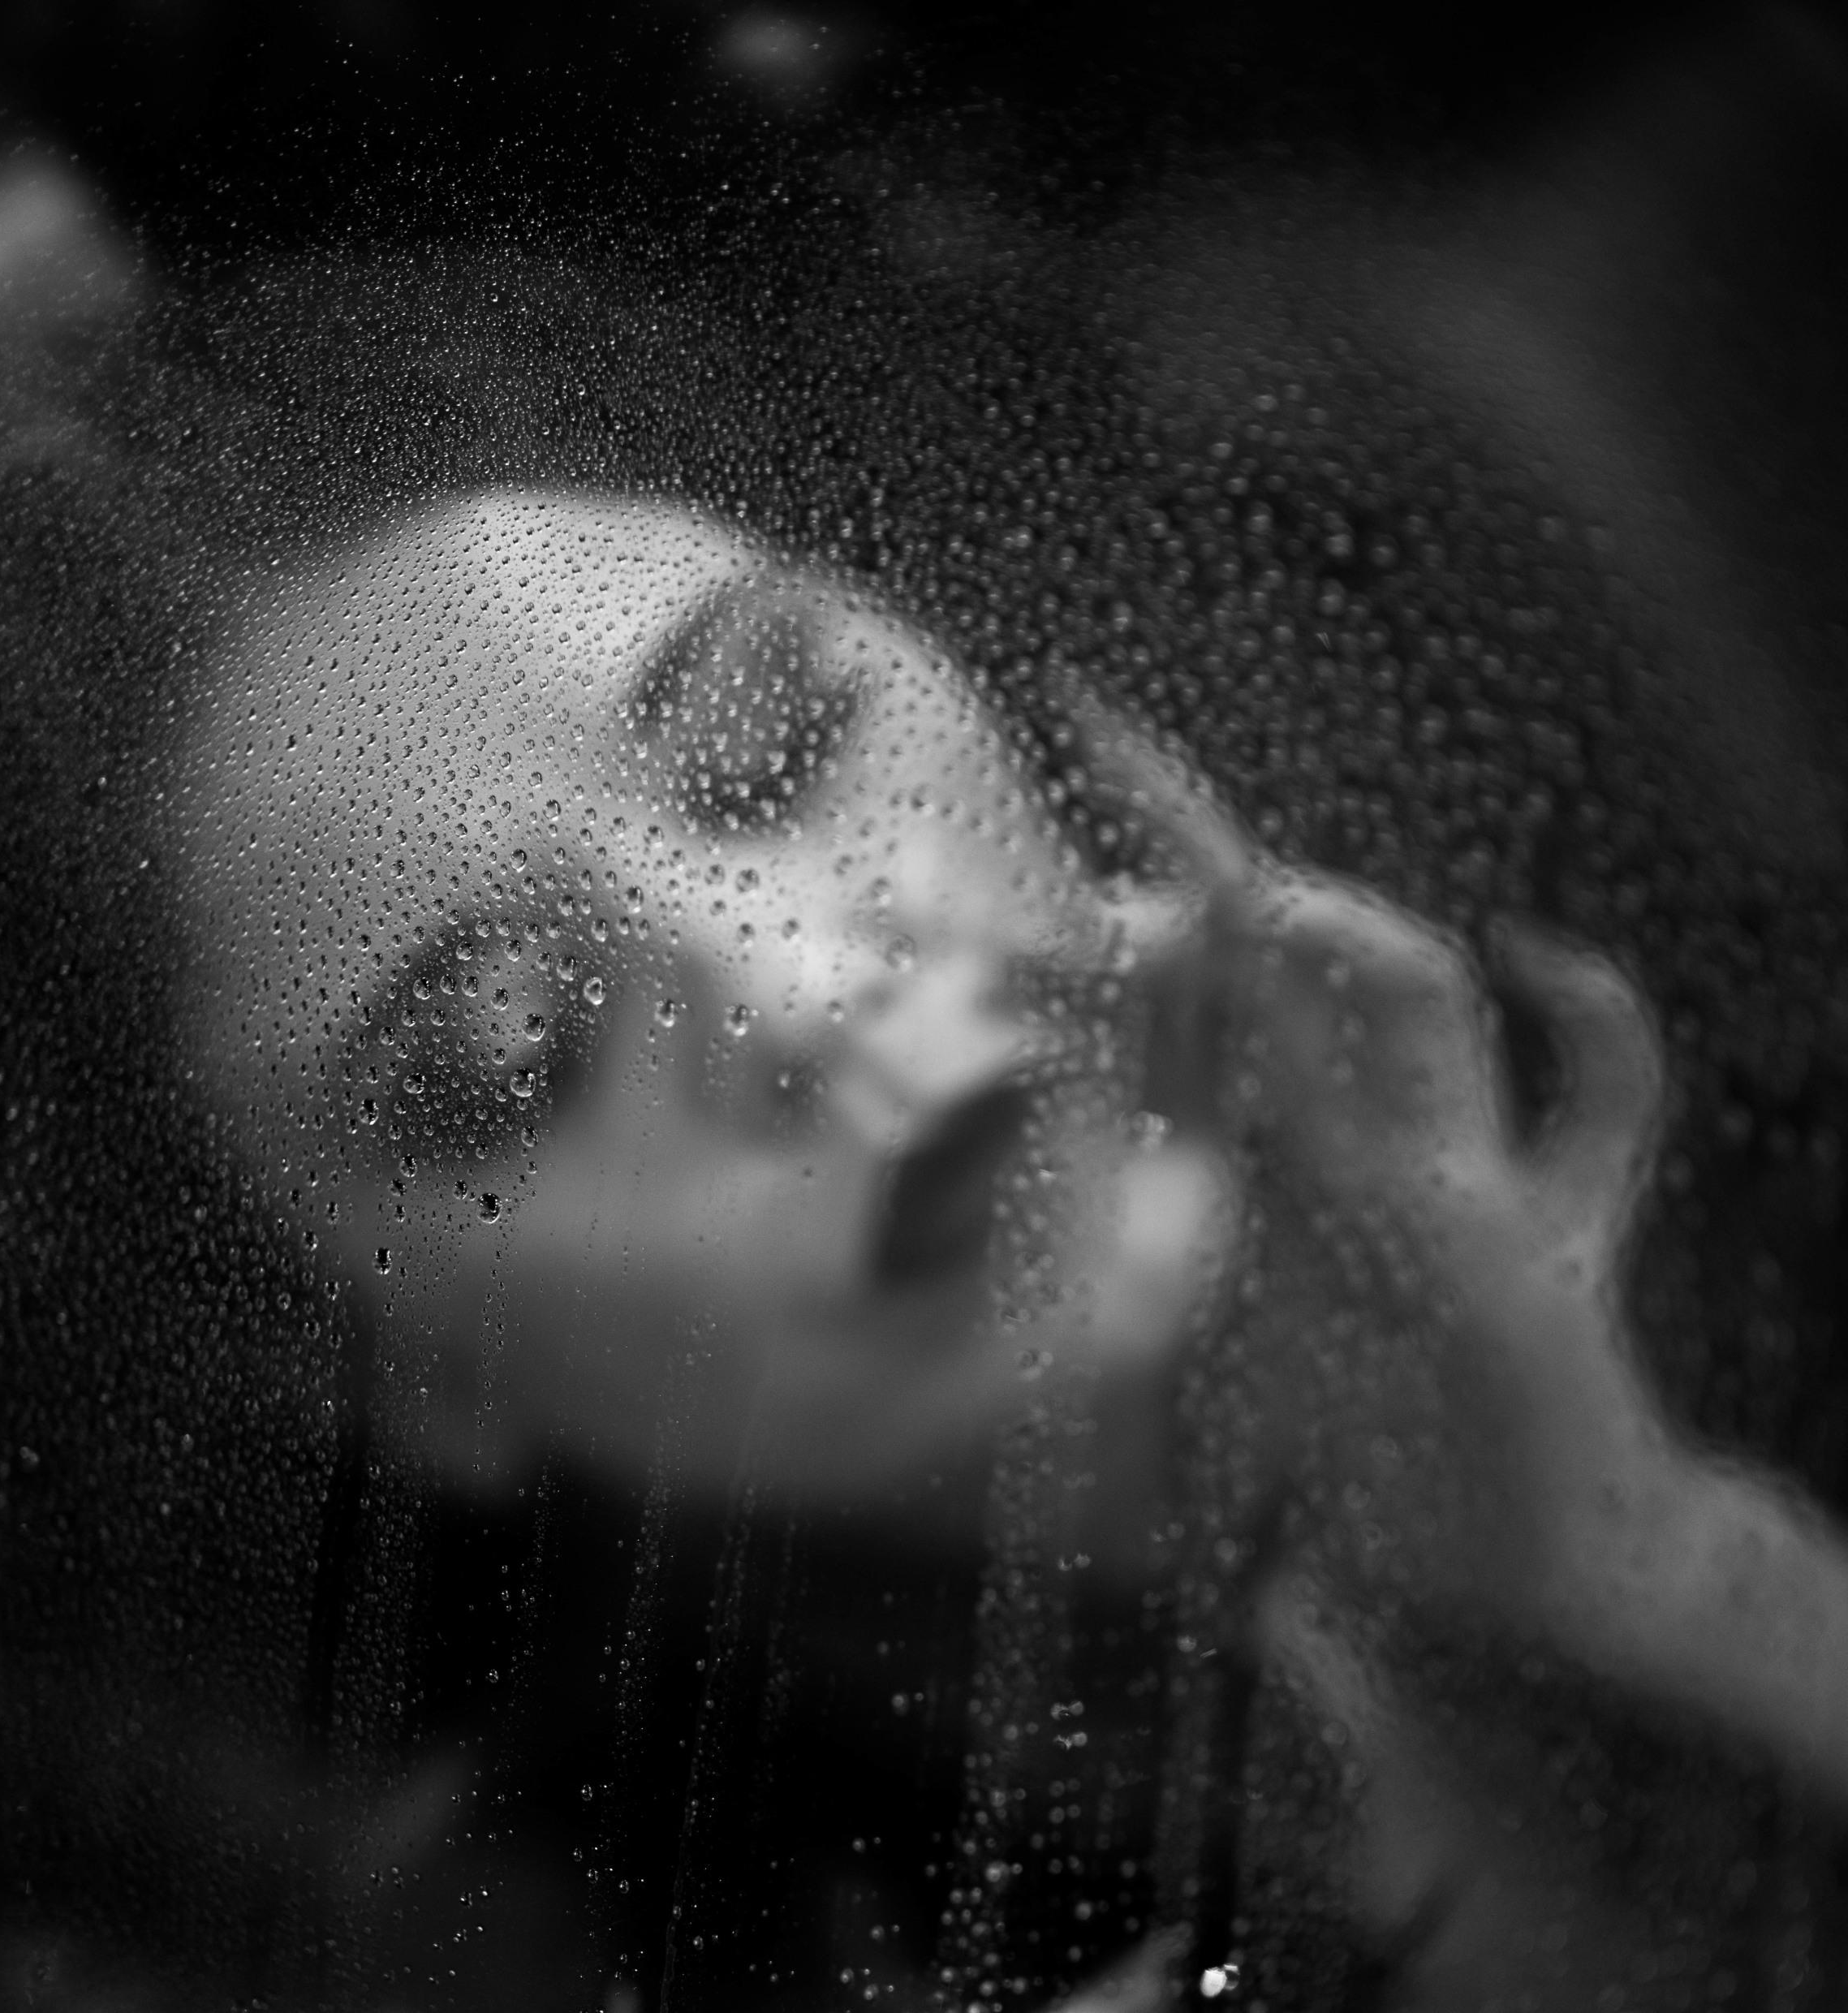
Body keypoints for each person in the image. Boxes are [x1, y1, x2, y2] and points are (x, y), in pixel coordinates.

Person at [182, 485, 1848, 2009]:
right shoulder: (633, 1939)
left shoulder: (1722, 1135)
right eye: (507, 1052)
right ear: (410, 1377)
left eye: (779, 736)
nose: (811, 995)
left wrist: (1670, 1568)